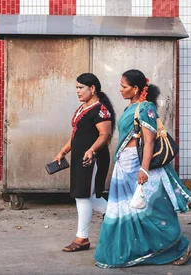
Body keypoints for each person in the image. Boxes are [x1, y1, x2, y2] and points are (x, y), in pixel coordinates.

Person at [94, 69, 191, 268]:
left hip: (137, 167)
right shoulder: (130, 108)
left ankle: (178, 248)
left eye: (124, 86)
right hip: (124, 168)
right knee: (126, 211)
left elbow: (149, 141)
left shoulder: (145, 109)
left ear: (135, 89)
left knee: (152, 209)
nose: (120, 89)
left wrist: (144, 170)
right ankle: (131, 251)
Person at [54, 73, 116, 253]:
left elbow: (105, 135)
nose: (77, 91)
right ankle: (119, 217)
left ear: (93, 88)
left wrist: (92, 150)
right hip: (80, 157)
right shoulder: (83, 108)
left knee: (83, 196)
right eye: (76, 88)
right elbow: (76, 135)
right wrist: (63, 151)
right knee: (90, 197)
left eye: (81, 87)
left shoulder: (101, 110)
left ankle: (82, 239)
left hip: (92, 159)